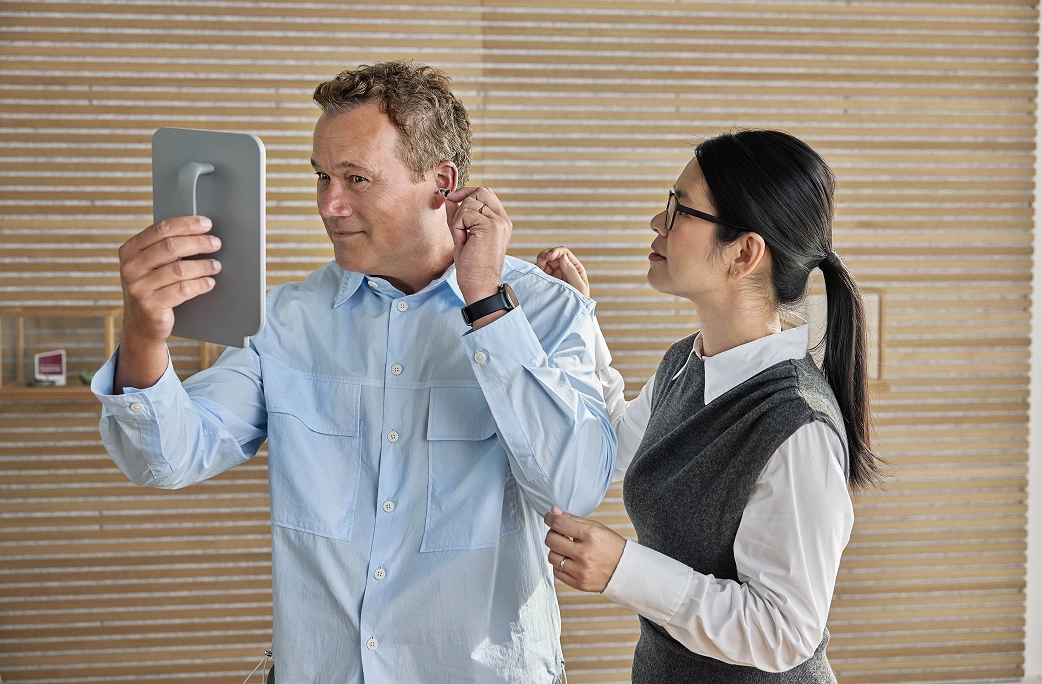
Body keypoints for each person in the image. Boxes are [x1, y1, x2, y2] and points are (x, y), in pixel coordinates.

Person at [91, 61, 617, 683]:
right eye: (321, 176)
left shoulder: (549, 310)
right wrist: (146, 334)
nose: (329, 205)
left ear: (441, 183)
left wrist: (487, 308)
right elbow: (167, 457)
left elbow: (573, 489)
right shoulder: (287, 319)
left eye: (356, 179)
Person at [536, 130, 882, 683]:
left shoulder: (797, 424)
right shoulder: (687, 362)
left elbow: (786, 632)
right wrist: (579, 317)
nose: (657, 222)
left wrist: (625, 570)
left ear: (743, 253)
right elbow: (619, 443)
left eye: (679, 209)